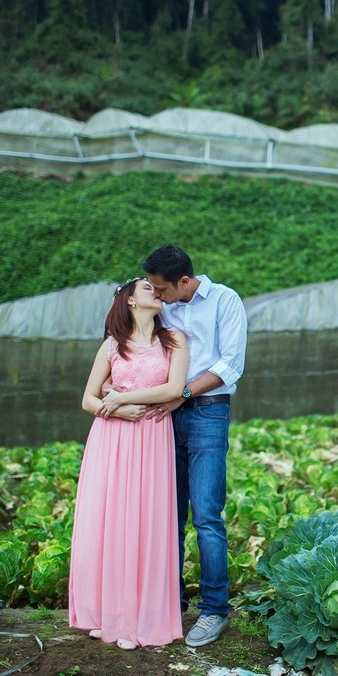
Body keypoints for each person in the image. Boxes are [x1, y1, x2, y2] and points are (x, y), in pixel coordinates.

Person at [68, 277, 190, 650]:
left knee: (146, 522)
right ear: (131, 301)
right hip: (112, 439)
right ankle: (107, 614)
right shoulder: (111, 346)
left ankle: (143, 619)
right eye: (147, 288)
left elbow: (173, 390)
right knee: (111, 522)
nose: (156, 290)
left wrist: (121, 397)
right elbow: (89, 399)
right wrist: (118, 411)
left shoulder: (174, 341)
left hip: (153, 440)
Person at [141, 245, 247, 648]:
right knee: (168, 513)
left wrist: (182, 393)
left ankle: (215, 609)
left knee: (206, 514)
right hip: (165, 414)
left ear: (184, 281)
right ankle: (171, 604)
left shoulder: (224, 300)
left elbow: (230, 364)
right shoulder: (161, 304)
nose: (158, 295)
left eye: (162, 288)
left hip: (207, 413)